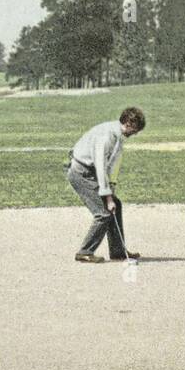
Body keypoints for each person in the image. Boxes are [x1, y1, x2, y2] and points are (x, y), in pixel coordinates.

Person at [68, 107, 145, 263]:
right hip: (81, 173)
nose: (135, 133)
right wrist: (107, 198)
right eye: (135, 129)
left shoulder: (118, 134)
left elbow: (112, 164)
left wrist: (111, 188)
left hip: (91, 172)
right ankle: (84, 251)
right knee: (103, 213)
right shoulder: (107, 136)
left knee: (116, 204)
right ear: (129, 123)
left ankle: (118, 251)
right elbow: (100, 166)